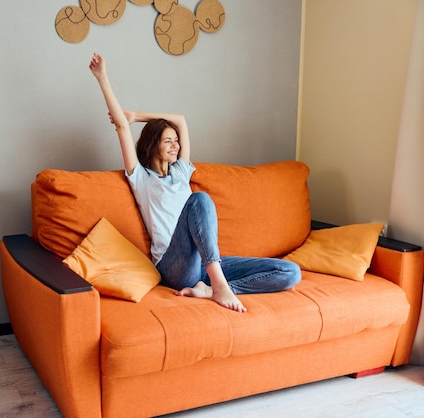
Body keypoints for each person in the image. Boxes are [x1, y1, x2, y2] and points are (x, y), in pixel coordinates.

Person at [88, 52, 301, 313]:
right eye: (168, 140)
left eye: (176, 141)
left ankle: (213, 289)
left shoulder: (180, 172)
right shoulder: (141, 178)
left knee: (290, 271)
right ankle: (218, 284)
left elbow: (180, 120)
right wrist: (103, 79)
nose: (175, 145)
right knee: (199, 199)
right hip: (173, 265)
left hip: (203, 266)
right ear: (152, 145)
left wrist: (139, 114)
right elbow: (121, 127)